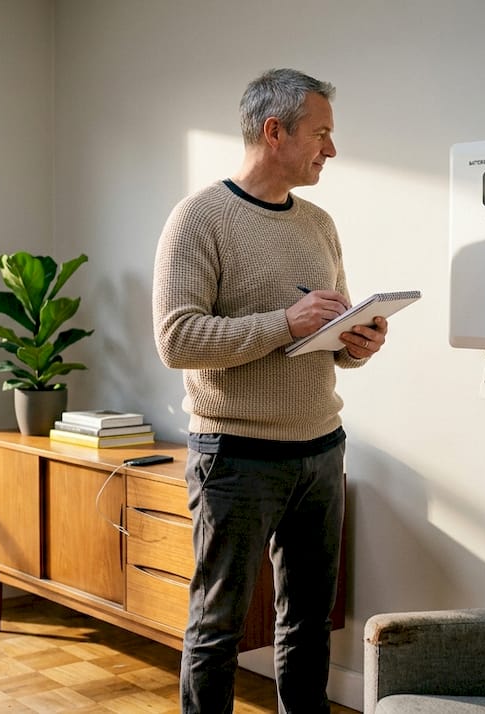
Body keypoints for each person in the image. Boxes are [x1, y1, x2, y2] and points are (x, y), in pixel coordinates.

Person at [152, 68, 388, 713]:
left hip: (321, 450)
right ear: (274, 130)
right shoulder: (199, 218)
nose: (331, 150)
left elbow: (325, 334)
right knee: (217, 628)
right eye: (322, 134)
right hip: (235, 456)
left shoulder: (320, 224)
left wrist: (355, 343)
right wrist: (286, 322)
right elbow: (178, 340)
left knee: (309, 624)